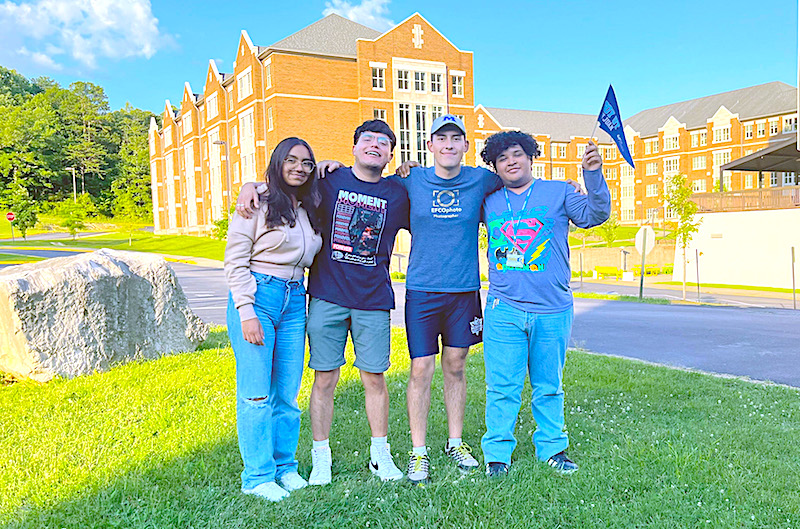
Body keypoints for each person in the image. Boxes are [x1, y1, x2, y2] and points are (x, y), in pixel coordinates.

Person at [235, 120, 409, 485]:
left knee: (374, 378)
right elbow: (286, 182)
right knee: (324, 378)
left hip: (373, 299)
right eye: (367, 139)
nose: (375, 145)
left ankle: (380, 455)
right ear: (354, 147)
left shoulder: (399, 191)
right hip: (326, 297)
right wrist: (251, 186)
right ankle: (320, 458)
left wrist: (415, 170)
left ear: (391, 154)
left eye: (384, 142)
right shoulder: (328, 180)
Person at [478, 131, 610, 477]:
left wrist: (592, 175)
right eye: (502, 158)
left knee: (549, 385)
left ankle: (552, 449)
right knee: (502, 386)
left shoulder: (560, 191)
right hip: (503, 309)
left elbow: (595, 214)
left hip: (552, 309)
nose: (511, 161)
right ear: (494, 166)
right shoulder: (488, 198)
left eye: (517, 154)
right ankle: (497, 455)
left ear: (531, 156)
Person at [224, 137, 323, 501]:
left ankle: (285, 467)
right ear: (277, 162)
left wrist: (326, 165)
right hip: (259, 298)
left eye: (307, 163)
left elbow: (332, 170)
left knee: (287, 393)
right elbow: (234, 260)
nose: (299, 167)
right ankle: (257, 476)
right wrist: (246, 311)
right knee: (256, 394)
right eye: (291, 161)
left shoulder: (309, 206)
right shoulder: (256, 203)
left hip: (296, 300)